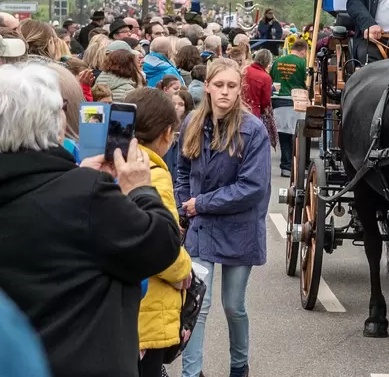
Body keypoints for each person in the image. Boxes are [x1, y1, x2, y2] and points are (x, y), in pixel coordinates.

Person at [0, 63, 182, 377]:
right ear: (55, 121)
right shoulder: (84, 195)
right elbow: (160, 244)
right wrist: (140, 189)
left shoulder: (78, 188)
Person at [175, 58, 272, 377]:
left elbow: (252, 187)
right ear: (208, 87)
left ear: (240, 89)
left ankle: (239, 366)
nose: (225, 92)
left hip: (239, 227)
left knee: (233, 305)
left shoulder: (253, 129)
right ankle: (192, 374)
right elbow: (182, 172)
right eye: (219, 85)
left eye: (232, 86)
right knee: (197, 307)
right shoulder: (191, 121)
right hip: (201, 227)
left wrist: (199, 203)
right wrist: (183, 206)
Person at [123, 88, 193, 377]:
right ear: (167, 134)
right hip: (149, 309)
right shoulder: (155, 174)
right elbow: (160, 243)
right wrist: (184, 271)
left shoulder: (112, 163)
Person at [270, 39, 308, 176]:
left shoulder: (277, 61)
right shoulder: (303, 63)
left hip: (278, 101)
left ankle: (286, 167)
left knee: (284, 136)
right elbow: (306, 81)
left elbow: (272, 79)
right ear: (303, 51)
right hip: (296, 101)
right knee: (298, 136)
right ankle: (298, 165)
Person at [243, 48, 273, 119]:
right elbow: (265, 101)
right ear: (267, 62)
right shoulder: (266, 77)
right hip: (254, 111)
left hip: (241, 107)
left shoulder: (245, 69)